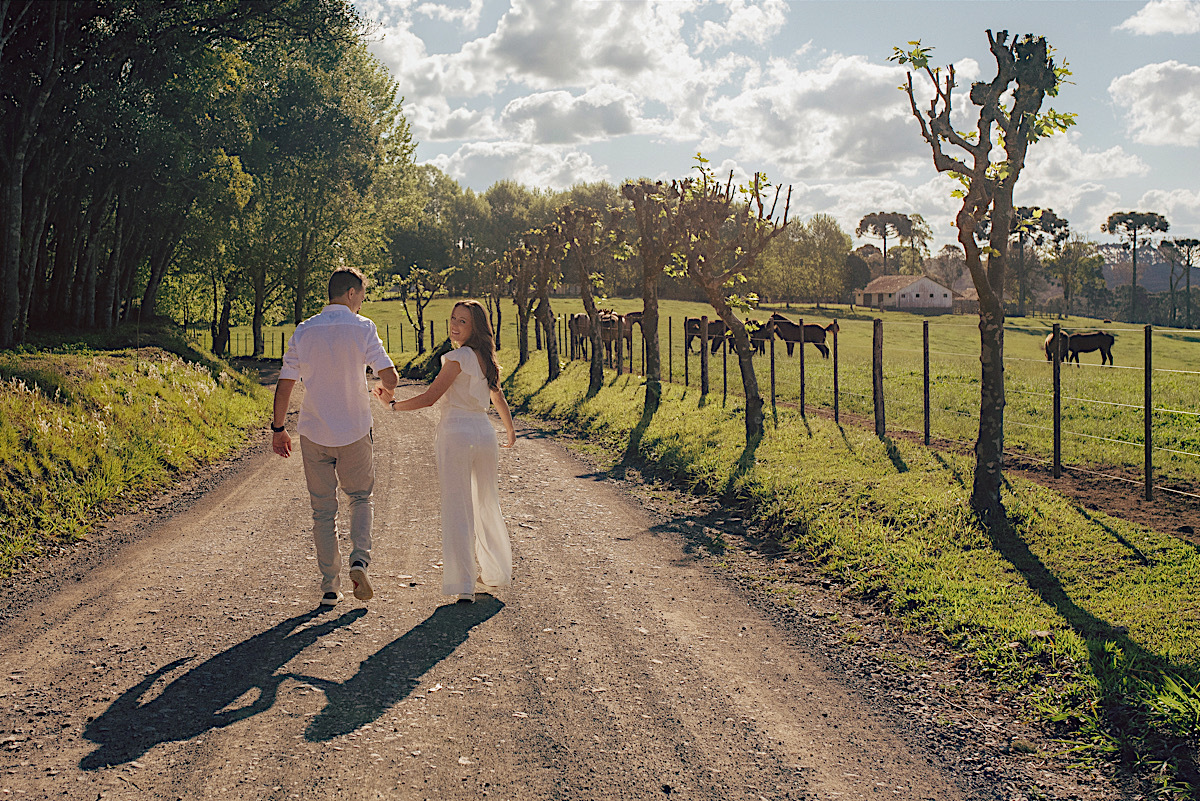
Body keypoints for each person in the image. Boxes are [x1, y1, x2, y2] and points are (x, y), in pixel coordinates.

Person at [271, 267, 398, 607]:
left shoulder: (304, 330)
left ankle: (330, 586)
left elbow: (285, 383)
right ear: (352, 293)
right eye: (362, 296)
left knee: (322, 511)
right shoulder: (363, 328)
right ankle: (359, 560)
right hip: (354, 429)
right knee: (359, 497)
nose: (362, 303)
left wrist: (278, 428)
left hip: (314, 431)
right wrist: (382, 391)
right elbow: (390, 375)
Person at [380, 300, 516, 603]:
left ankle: (463, 583)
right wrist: (509, 428)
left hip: (457, 433)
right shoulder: (486, 358)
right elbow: (497, 396)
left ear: (476, 327)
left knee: (459, 508)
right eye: (453, 319)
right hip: (484, 434)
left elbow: (430, 397)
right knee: (485, 502)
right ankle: (493, 572)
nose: (454, 325)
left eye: (463, 321)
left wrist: (391, 405)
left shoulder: (457, 358)